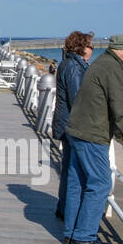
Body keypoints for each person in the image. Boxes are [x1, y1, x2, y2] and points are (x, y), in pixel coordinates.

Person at [62, 34, 123, 244]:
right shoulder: (114, 69)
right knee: (100, 183)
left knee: (77, 182)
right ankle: (84, 235)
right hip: (91, 133)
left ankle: (71, 233)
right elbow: (121, 109)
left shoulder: (100, 62)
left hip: (76, 129)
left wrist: (122, 137)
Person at [50, 31, 94, 219]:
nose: (93, 49)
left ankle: (64, 207)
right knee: (74, 170)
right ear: (82, 47)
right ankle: (69, 210)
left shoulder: (69, 63)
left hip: (66, 122)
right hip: (72, 124)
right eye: (91, 45)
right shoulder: (75, 67)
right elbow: (77, 98)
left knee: (69, 167)